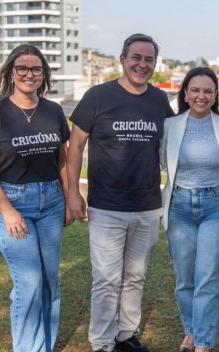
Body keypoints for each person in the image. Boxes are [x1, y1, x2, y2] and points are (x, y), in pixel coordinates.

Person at [67, 34, 175, 352]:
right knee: (105, 279)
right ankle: (101, 343)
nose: (142, 65)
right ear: (122, 59)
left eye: (149, 59)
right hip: (106, 206)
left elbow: (177, 137)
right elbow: (75, 146)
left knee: (135, 276)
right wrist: (73, 193)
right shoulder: (98, 96)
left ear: (155, 64)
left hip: (146, 206)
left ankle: (126, 335)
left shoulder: (158, 101)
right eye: (136, 58)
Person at [0, 44, 71, 352]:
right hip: (14, 203)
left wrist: (69, 199)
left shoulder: (54, 111)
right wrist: (7, 211)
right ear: (11, 73)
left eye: (36, 69)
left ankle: (45, 346)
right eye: (23, 69)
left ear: (44, 74)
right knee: (28, 283)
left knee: (48, 282)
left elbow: (63, 159)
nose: (30, 74)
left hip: (52, 202)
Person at [161, 67, 219, 352]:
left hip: (216, 205)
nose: (201, 96)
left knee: (208, 276)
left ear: (216, 95)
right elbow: (159, 162)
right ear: (185, 93)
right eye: (195, 90)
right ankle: (191, 331)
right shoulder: (171, 126)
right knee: (184, 278)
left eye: (208, 91)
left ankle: (203, 342)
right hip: (179, 205)